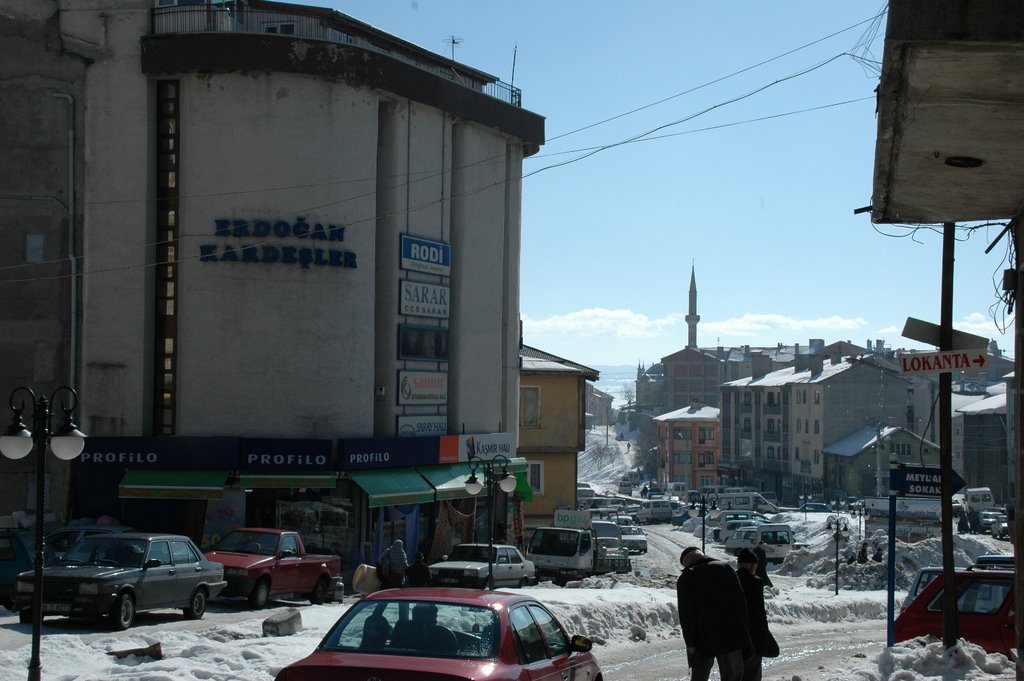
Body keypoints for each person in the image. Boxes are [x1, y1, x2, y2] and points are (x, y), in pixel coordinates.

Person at [677, 546, 751, 681]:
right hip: (731, 635)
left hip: (703, 637)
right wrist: (743, 633)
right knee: (732, 676)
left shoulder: (688, 576)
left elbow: (687, 615)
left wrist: (690, 643)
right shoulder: (726, 568)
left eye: (685, 564)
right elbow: (740, 603)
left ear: (690, 560)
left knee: (700, 675)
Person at [736, 549, 778, 681]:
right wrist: (763, 635)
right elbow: (758, 612)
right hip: (752, 635)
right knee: (752, 672)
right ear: (753, 565)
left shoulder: (731, 579)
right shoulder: (755, 582)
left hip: (732, 637)